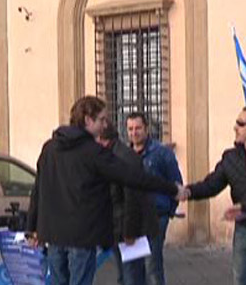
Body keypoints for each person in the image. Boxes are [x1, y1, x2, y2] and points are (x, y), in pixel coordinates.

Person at [27, 96, 186, 285]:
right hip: (81, 236)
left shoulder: (50, 148)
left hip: (53, 235)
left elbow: (38, 188)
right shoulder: (92, 152)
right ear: (88, 120)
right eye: (102, 120)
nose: (105, 125)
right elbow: (132, 176)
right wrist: (171, 188)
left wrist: (32, 227)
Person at [184, 107, 246, 285]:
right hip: (244, 229)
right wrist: (188, 191)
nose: (235, 127)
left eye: (240, 124)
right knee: (241, 279)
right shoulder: (230, 157)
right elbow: (211, 184)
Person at [97, 124, 159, 285]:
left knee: (132, 276)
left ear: (101, 139)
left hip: (129, 230)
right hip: (120, 227)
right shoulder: (114, 154)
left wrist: (129, 232)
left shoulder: (123, 158)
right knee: (125, 275)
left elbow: (132, 199)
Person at [126, 112, 183, 285]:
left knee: (152, 266)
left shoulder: (162, 153)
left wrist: (168, 211)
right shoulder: (125, 155)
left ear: (146, 129)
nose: (134, 133)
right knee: (132, 268)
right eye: (130, 129)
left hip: (157, 217)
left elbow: (176, 185)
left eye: (138, 128)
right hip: (132, 220)